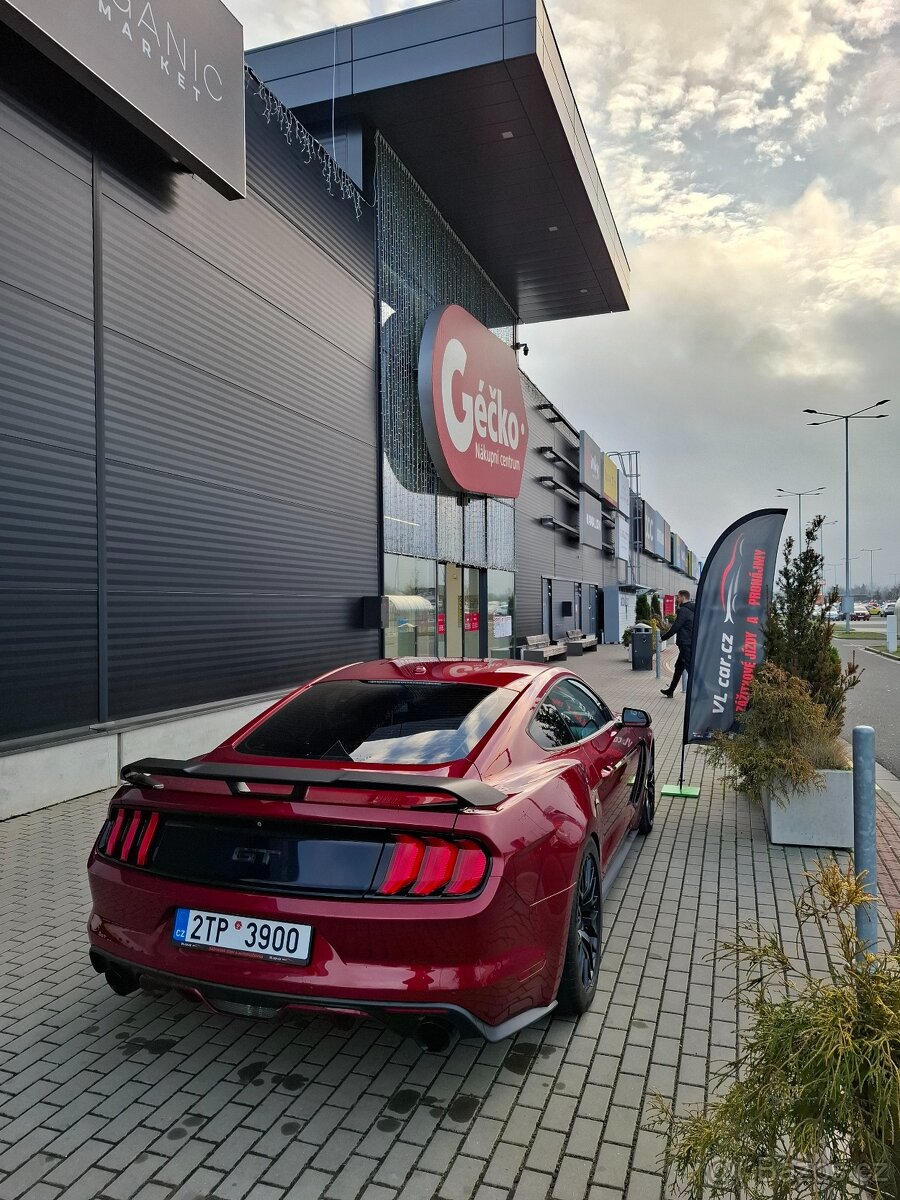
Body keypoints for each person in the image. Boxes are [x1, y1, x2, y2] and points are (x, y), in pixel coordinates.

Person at [660, 590, 694, 698]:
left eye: (678, 597)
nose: (677, 599)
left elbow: (676, 626)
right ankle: (671, 690)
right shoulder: (693, 609)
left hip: (685, 644)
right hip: (689, 642)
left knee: (690, 669)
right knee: (679, 666)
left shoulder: (683, 610)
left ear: (683, 597)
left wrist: (663, 638)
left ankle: (703, 694)